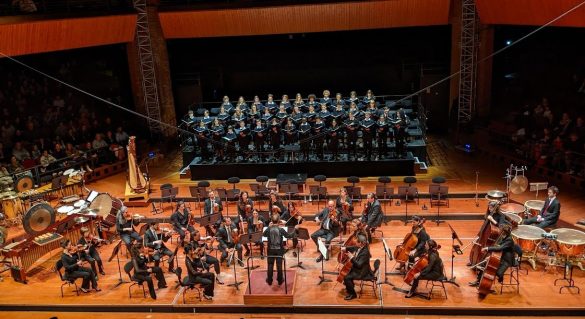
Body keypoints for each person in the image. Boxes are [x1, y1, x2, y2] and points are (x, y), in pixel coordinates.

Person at [468, 224, 516, 288]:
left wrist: (488, 248)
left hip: (506, 260)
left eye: (501, 230)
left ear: (504, 232)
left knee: (491, 267)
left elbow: (500, 248)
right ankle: (478, 281)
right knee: (484, 263)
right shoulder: (504, 236)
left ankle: (486, 284)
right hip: (501, 256)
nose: (500, 231)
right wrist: (491, 256)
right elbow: (498, 246)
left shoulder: (509, 240)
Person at [263, 213, 298, 286]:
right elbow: (289, 235)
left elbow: (264, 234)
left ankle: (269, 280)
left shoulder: (269, 229)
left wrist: (268, 227)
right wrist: (295, 229)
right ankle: (280, 280)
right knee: (279, 265)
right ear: (279, 220)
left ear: (271, 220)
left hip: (270, 249)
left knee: (270, 265)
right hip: (279, 250)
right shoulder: (281, 229)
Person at [341, 234, 372, 300]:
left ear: (361, 243)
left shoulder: (365, 252)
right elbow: (354, 247)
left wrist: (351, 257)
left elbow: (359, 265)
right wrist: (345, 248)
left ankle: (353, 294)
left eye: (357, 241)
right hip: (359, 268)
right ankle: (350, 287)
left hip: (362, 271)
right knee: (346, 273)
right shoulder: (360, 247)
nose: (355, 242)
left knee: (346, 277)